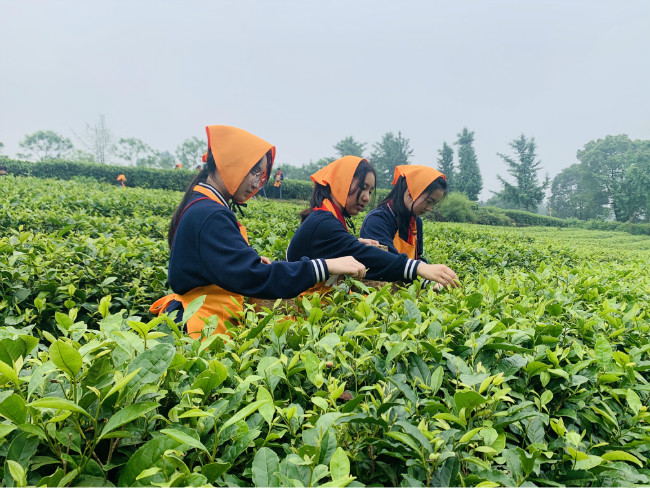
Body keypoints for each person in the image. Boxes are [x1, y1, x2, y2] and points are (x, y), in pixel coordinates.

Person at [150, 125, 366, 339]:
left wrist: (245, 261)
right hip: (203, 329)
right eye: (254, 171)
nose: (256, 182)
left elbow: (220, 267)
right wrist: (324, 266)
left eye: (260, 174)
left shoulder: (203, 205)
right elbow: (254, 278)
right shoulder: (210, 213)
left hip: (205, 320)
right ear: (232, 164)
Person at [286, 156, 460, 293]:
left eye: (369, 191)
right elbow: (367, 257)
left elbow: (347, 249)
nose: (367, 197)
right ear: (341, 181)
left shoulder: (329, 218)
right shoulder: (324, 221)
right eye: (362, 187)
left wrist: (428, 276)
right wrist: (419, 268)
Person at [360, 165, 447, 261]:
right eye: (429, 201)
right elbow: (386, 261)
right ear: (411, 191)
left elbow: (416, 257)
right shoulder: (377, 220)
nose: (429, 208)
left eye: (434, 204)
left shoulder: (416, 221)